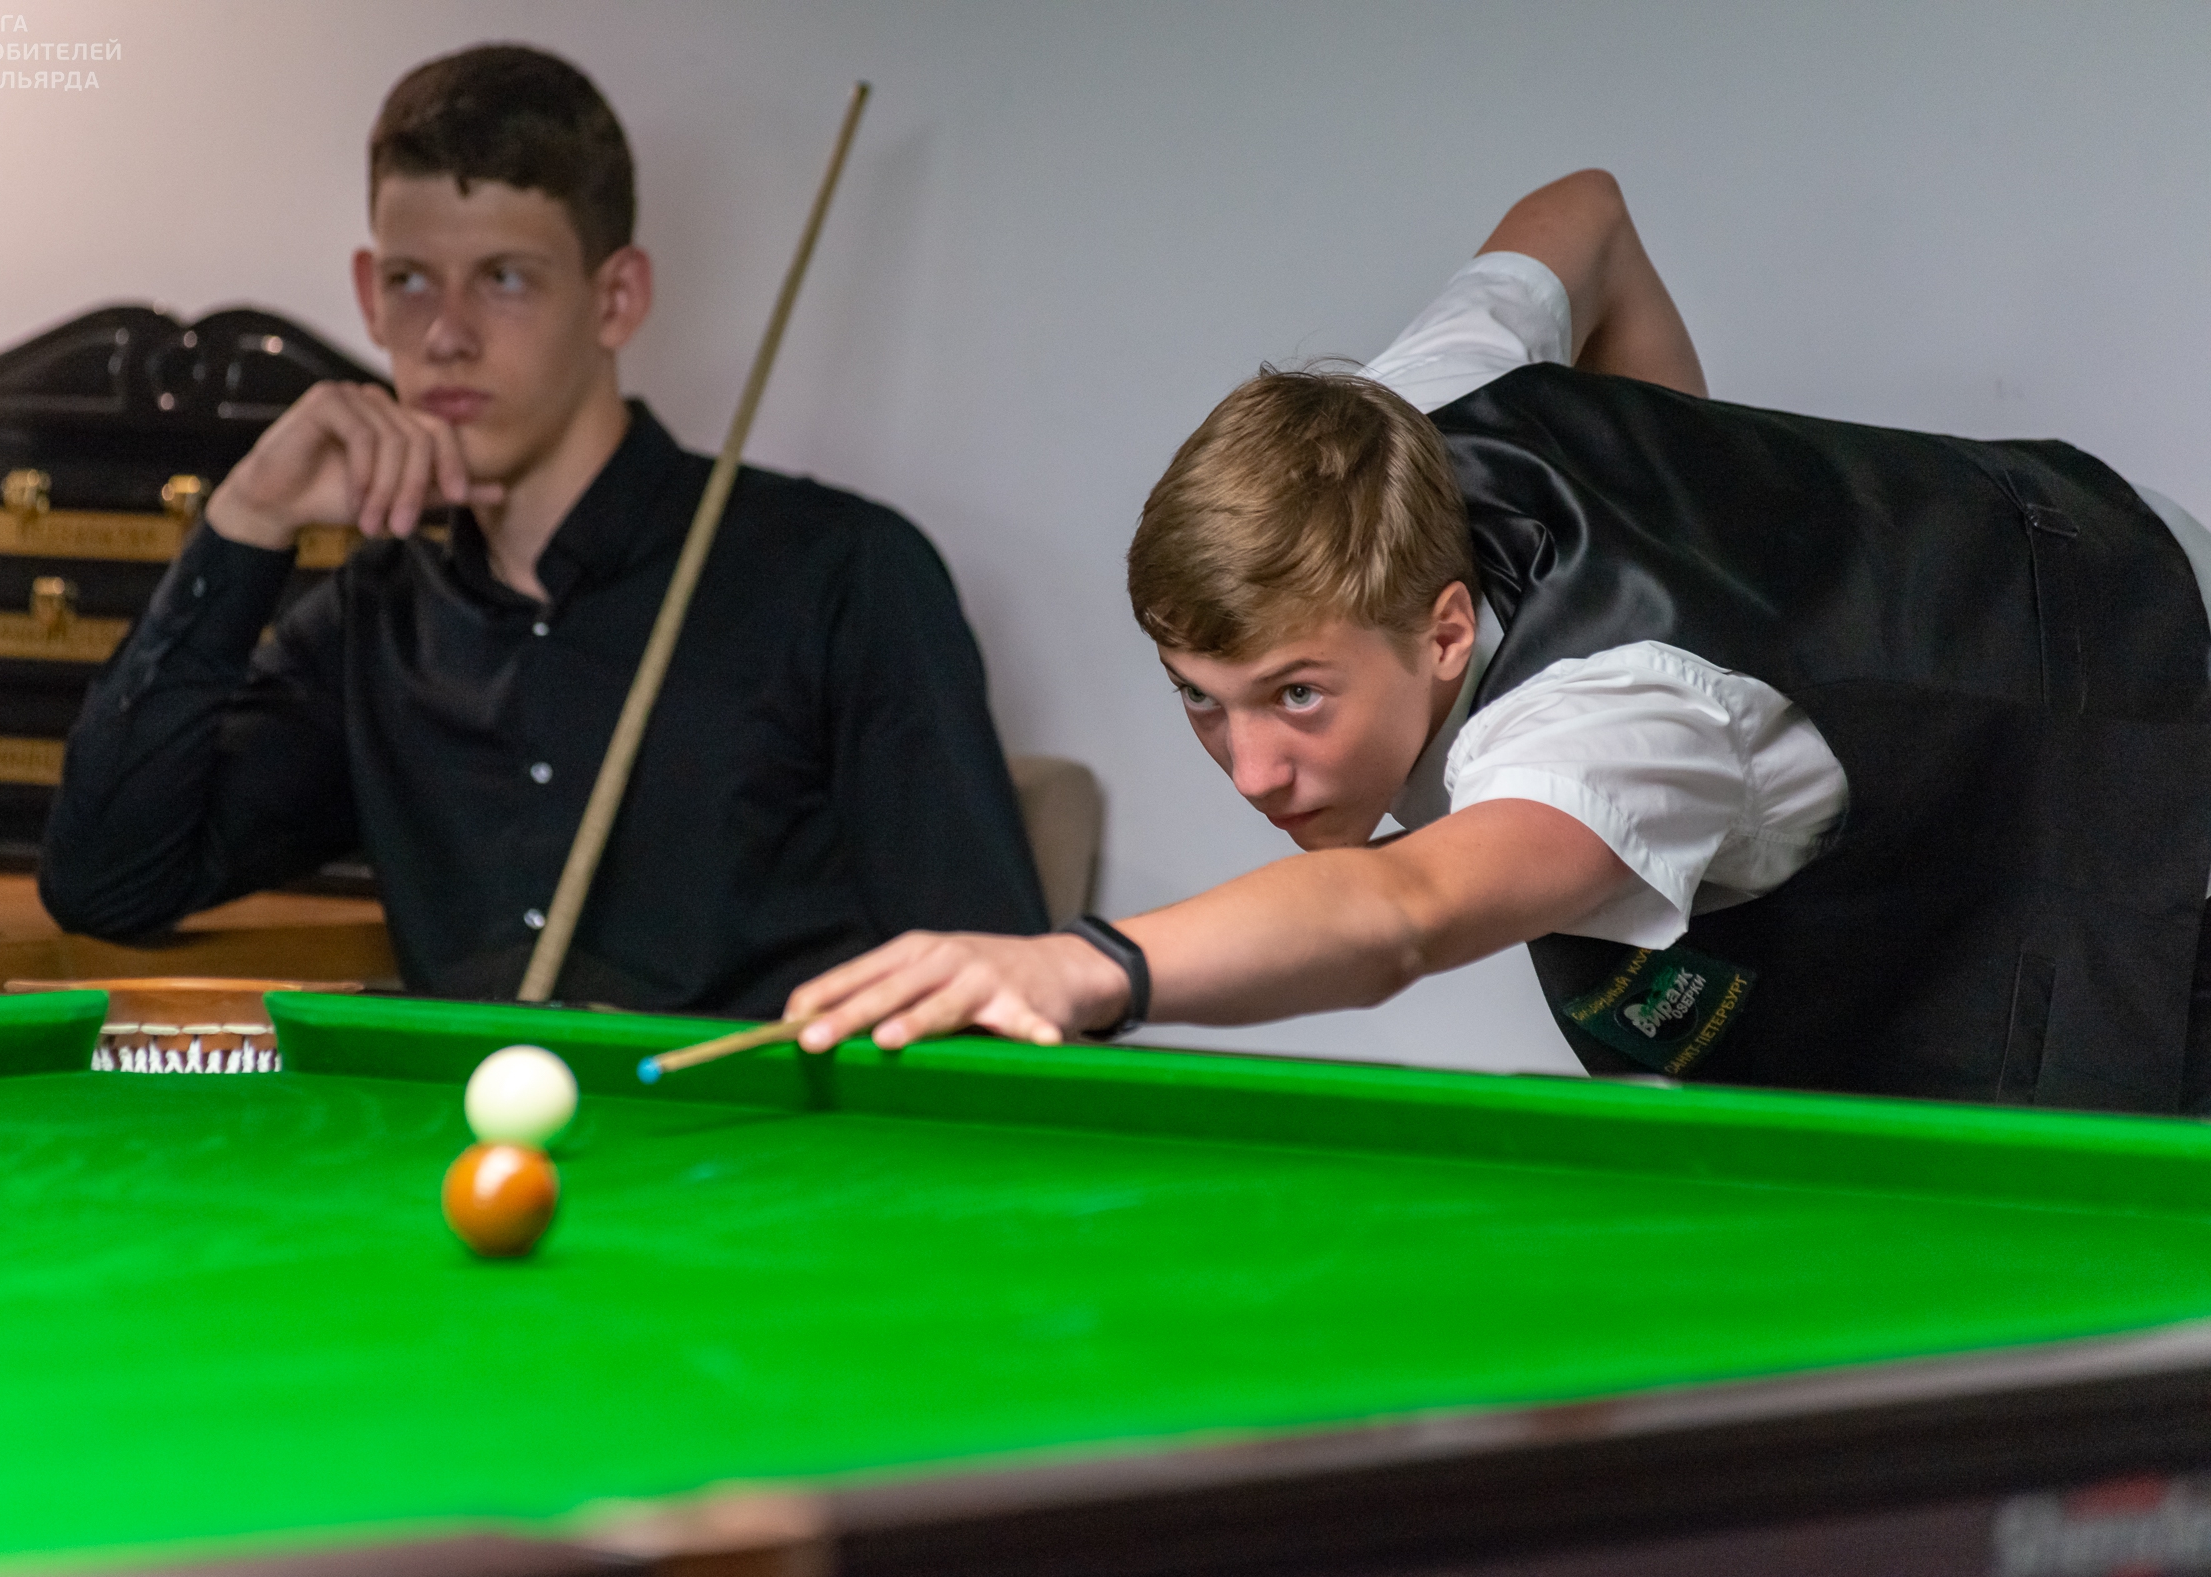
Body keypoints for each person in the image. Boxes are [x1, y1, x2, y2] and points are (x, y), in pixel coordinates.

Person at [787, 168, 2211, 1113]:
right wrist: (1692, 473)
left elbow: (1398, 916)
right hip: (1997, 570)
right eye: (1203, 702)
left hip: (2143, 667)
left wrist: (1081, 964)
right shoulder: (1390, 433)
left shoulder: (1612, 726)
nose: (1253, 768)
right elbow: (1588, 211)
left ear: (1446, 629)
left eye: (1297, 695)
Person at [40, 44, 1047, 1013]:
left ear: (617, 299)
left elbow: (992, 984)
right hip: (471, 1136)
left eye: (504, 279)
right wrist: (246, 522)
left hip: (753, 1128)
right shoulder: (376, 619)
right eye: (409, 281)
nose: (446, 335)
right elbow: (110, 883)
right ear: (366, 295)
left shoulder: (843, 575)